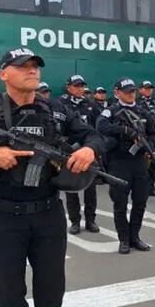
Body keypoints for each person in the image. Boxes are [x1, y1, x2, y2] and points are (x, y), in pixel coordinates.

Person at [0, 46, 104, 307]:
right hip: (4, 217)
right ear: (3, 74)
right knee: (8, 296)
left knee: (51, 292)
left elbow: (94, 135)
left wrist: (89, 149)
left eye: (35, 65)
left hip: (49, 214)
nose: (32, 70)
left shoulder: (55, 109)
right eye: (23, 66)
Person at [96, 78, 155, 254]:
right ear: (117, 92)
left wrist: (151, 147)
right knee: (120, 203)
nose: (131, 94)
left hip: (139, 163)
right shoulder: (112, 111)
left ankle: (135, 237)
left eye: (133, 91)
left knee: (140, 202)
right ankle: (124, 239)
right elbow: (100, 126)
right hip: (119, 162)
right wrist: (125, 130)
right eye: (127, 91)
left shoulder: (142, 111)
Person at [59, 75, 100, 234]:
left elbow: (97, 127)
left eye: (82, 86)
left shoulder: (90, 104)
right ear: (68, 87)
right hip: (70, 151)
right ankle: (75, 221)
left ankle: (91, 220)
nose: (80, 89)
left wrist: (94, 147)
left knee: (91, 188)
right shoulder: (62, 104)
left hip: (88, 151)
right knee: (71, 188)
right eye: (76, 86)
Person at [138, 80, 155, 197]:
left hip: (153, 134)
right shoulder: (137, 103)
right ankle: (141, 187)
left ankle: (151, 187)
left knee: (153, 162)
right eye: (146, 88)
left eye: (150, 88)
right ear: (140, 90)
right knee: (141, 164)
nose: (149, 91)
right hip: (141, 135)